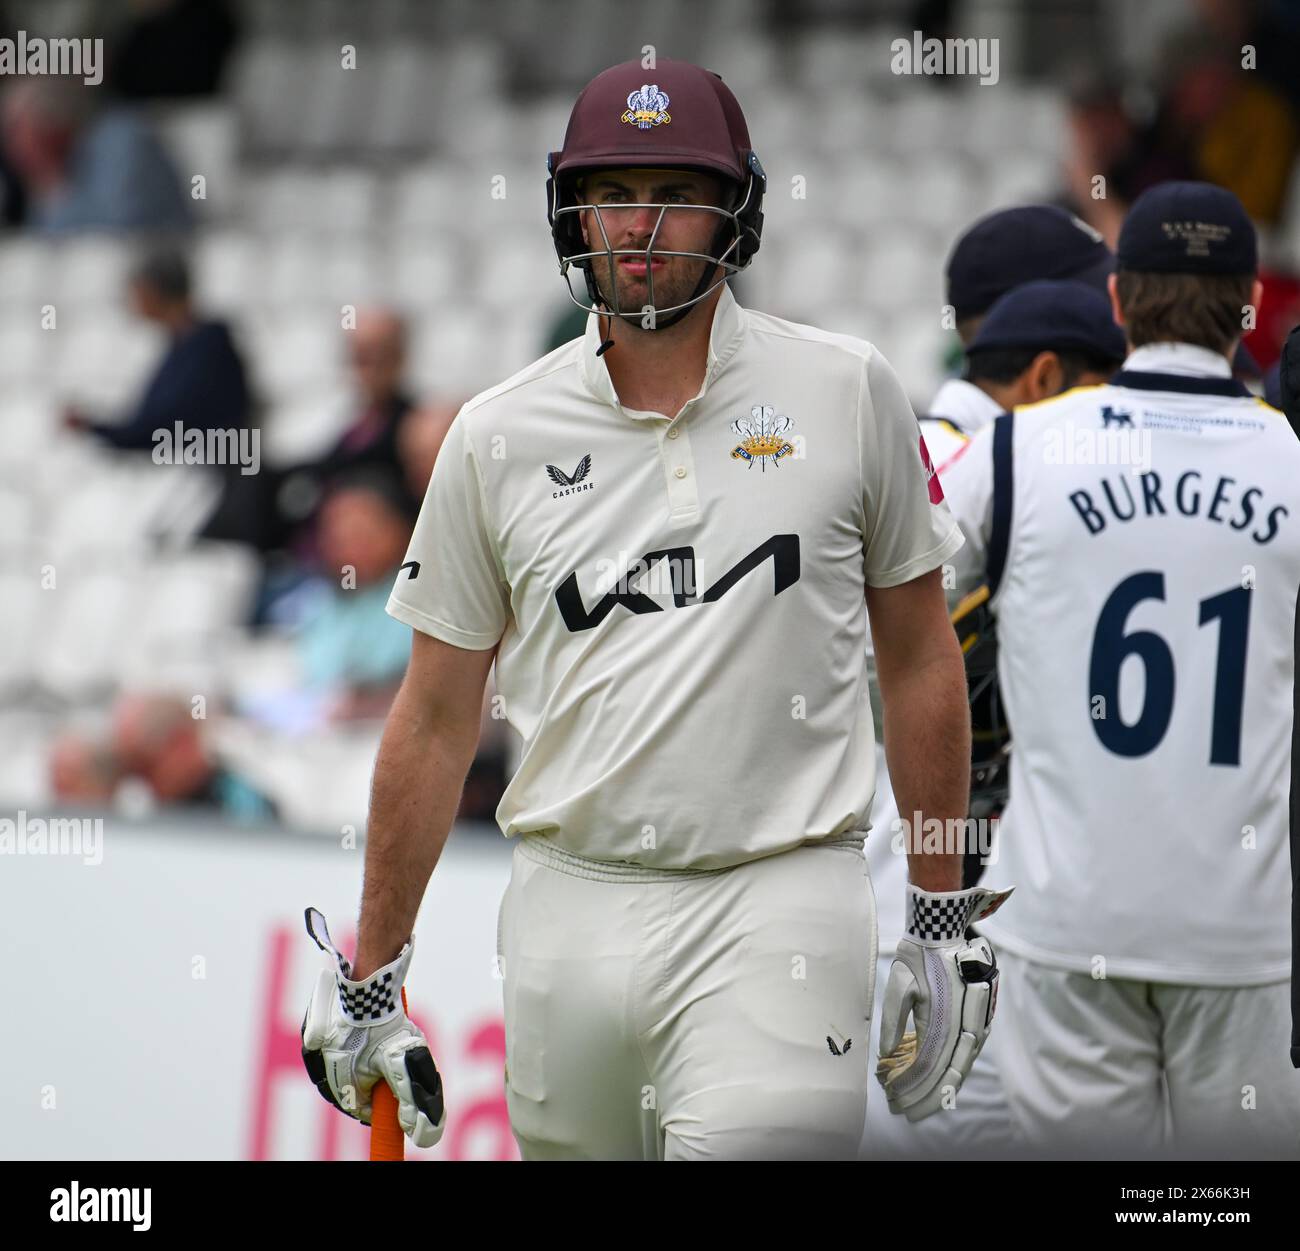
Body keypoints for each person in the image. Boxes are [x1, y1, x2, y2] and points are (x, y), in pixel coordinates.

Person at [300, 58, 1010, 1161]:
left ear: (737, 209)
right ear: (572, 211)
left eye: (674, 192)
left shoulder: (847, 388)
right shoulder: (495, 435)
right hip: (562, 916)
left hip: (777, 901)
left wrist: (935, 908)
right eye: (612, 192)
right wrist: (372, 975)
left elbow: (920, 659)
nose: (639, 226)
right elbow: (435, 720)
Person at [941, 181, 1300, 1159]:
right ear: (1247, 307)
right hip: (1246, 934)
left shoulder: (1013, 450)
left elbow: (891, 599)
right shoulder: (1294, 459)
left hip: (1064, 922)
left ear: (1116, 302)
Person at [861, 278, 1125, 1161]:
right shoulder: (995, 468)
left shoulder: (925, 455)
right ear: (1048, 376)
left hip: (899, 882)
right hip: (979, 892)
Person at [0, 79, 191, 233]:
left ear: (48, 124)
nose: (10, 146)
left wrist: (52, 183)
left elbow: (116, 232)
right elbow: (44, 242)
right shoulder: (52, 168)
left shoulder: (122, 141)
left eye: (15, 129)